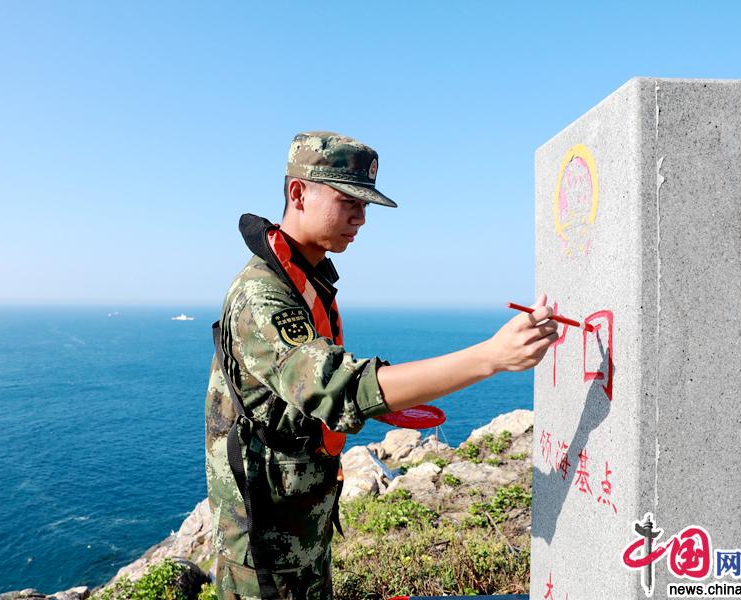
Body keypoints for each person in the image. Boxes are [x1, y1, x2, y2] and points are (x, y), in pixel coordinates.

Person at [204, 131, 558, 600]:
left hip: (300, 521)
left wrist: (387, 401)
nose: (360, 218)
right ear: (298, 193)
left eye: (365, 206)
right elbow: (335, 387)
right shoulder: (262, 295)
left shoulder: (306, 275)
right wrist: (490, 358)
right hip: (265, 543)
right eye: (347, 200)